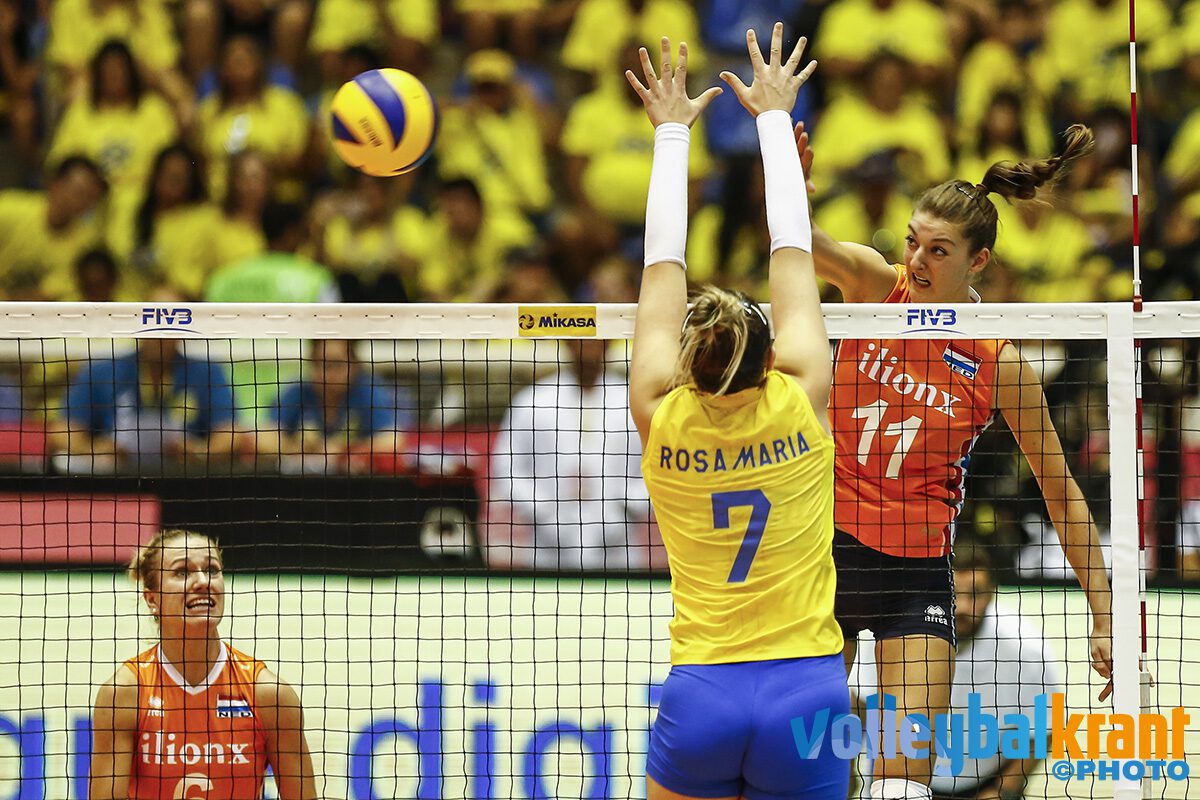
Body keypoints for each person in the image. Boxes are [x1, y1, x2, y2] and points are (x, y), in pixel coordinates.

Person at [792, 119, 1114, 800]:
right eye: (913, 240)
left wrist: (1105, 612)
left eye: (938, 250)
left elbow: (1060, 490)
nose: (916, 260)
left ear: (977, 262)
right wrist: (791, 185)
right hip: (827, 557)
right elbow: (800, 246)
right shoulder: (872, 287)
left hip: (914, 576)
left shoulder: (997, 359)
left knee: (903, 783)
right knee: (812, 768)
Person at [628, 26, 848, 800]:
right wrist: (775, 118)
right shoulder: (801, 396)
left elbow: (660, 266)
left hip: (705, 691)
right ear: (771, 354)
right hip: (809, 691)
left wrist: (671, 134)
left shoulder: (661, 414)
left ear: (688, 365)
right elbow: (792, 247)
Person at [88, 529, 317, 799]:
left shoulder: (269, 694)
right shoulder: (125, 693)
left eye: (212, 570)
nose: (202, 581)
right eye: (182, 572)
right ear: (153, 600)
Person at [850, 544, 1064, 800]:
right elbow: (857, 710)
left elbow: (1042, 731)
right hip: (899, 784)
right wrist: (848, 772)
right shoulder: (890, 638)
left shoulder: (1026, 648)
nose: (962, 606)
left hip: (986, 786)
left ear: (993, 591)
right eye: (952, 593)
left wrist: (1002, 791)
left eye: (975, 593)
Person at [488, 337, 649, 570]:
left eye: (596, 339)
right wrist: (542, 510)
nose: (588, 345)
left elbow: (656, 467)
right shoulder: (534, 401)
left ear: (609, 342)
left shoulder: (632, 402)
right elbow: (506, 468)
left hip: (618, 551)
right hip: (547, 551)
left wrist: (626, 507)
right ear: (566, 341)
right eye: (580, 338)